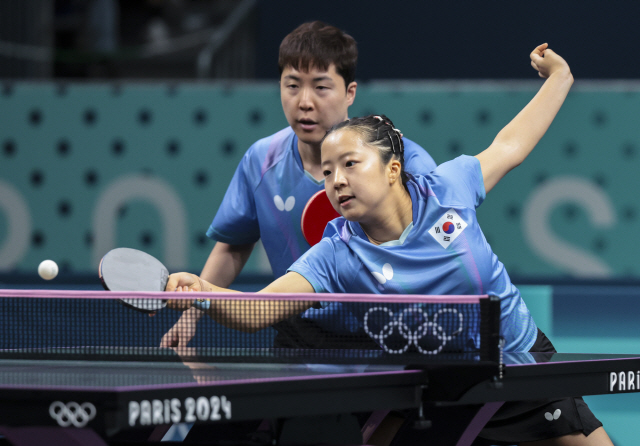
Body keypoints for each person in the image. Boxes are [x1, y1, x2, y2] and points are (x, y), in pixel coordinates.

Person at [165, 43, 615, 445]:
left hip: (515, 360)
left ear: (393, 169)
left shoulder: (448, 189)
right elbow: (259, 309)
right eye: (327, 172)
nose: (336, 181)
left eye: (350, 164)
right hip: (429, 381)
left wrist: (560, 77)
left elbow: (511, 145)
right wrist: (203, 293)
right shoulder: (337, 251)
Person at [160, 21, 436, 349]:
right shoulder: (261, 161)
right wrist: (192, 312)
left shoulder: (402, 162)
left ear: (350, 93)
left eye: (321, 87)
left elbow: (434, 250)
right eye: (292, 86)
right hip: (299, 333)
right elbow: (234, 245)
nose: (304, 102)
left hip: (384, 333)